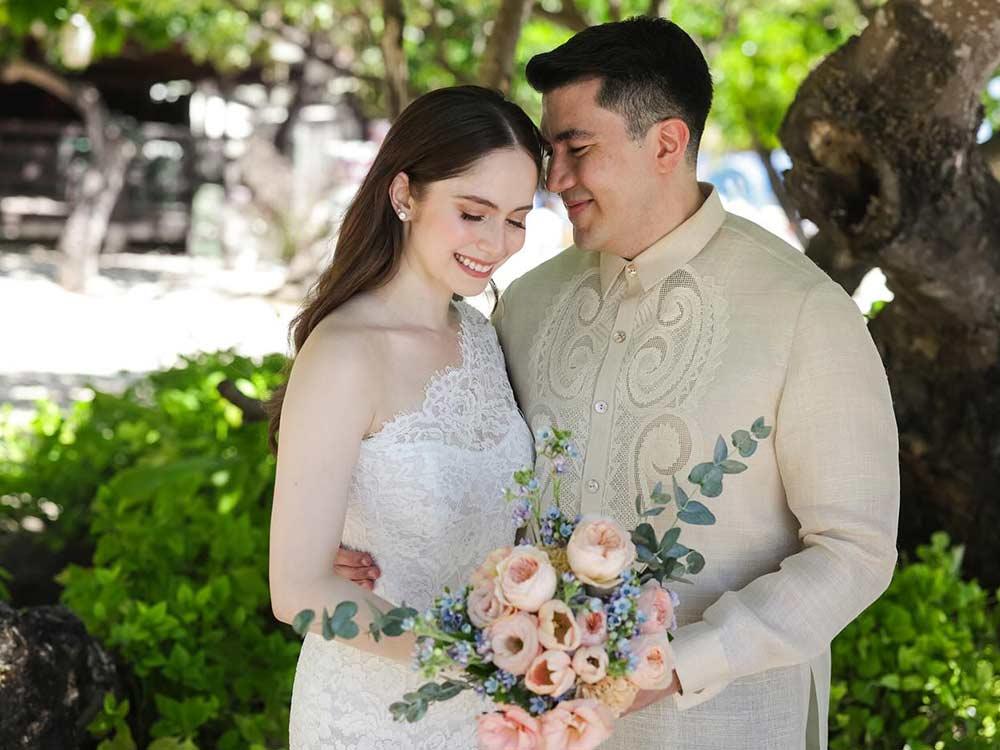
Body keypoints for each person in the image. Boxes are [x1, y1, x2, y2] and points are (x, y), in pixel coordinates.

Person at [340, 16, 900, 750]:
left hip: (725, 729)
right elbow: (449, 447)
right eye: (551, 153)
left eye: (578, 150)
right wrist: (354, 536)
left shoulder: (805, 313)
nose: (555, 179)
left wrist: (674, 666)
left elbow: (854, 551)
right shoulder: (526, 303)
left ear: (666, 143)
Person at [267, 85, 543, 749]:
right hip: (375, 715)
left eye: (516, 218)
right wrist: (479, 661)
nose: (497, 243)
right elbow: (299, 591)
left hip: (493, 715)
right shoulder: (343, 353)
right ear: (404, 195)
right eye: (473, 212)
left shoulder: (482, 334)